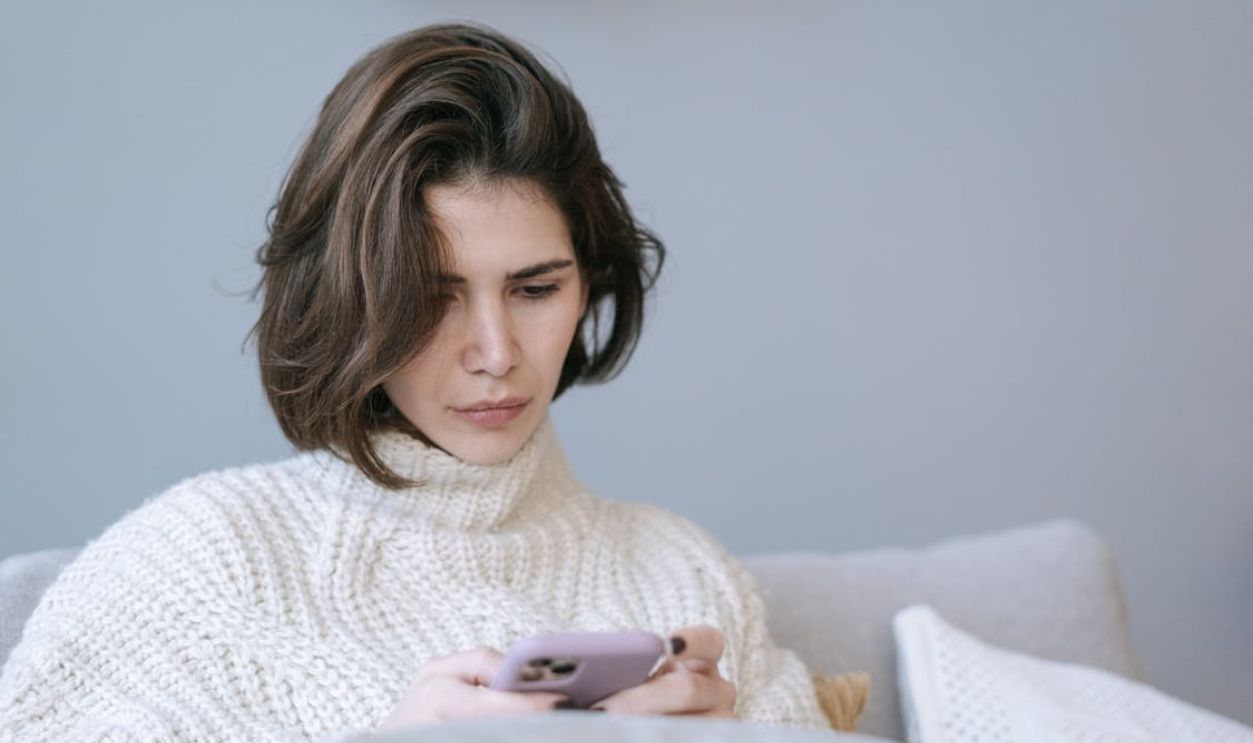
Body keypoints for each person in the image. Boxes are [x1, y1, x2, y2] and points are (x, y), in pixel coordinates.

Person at [0, 21, 830, 742]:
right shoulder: (199, 556)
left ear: (589, 284)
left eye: (535, 288)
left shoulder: (683, 571)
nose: (496, 351)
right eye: (430, 300)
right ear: (350, 301)